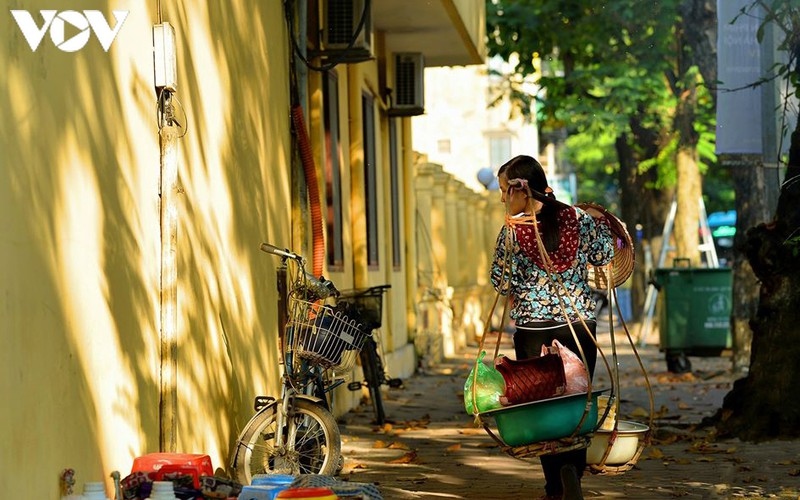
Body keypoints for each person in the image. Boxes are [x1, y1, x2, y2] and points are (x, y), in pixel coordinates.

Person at [490, 155, 614, 500]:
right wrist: (599, 223)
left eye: (504, 190)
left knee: (543, 408)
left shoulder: (513, 231)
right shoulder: (578, 218)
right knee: (576, 403)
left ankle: (554, 485)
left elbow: (501, 283)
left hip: (533, 331)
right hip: (578, 327)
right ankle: (572, 474)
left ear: (520, 189)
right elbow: (605, 255)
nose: (502, 198)